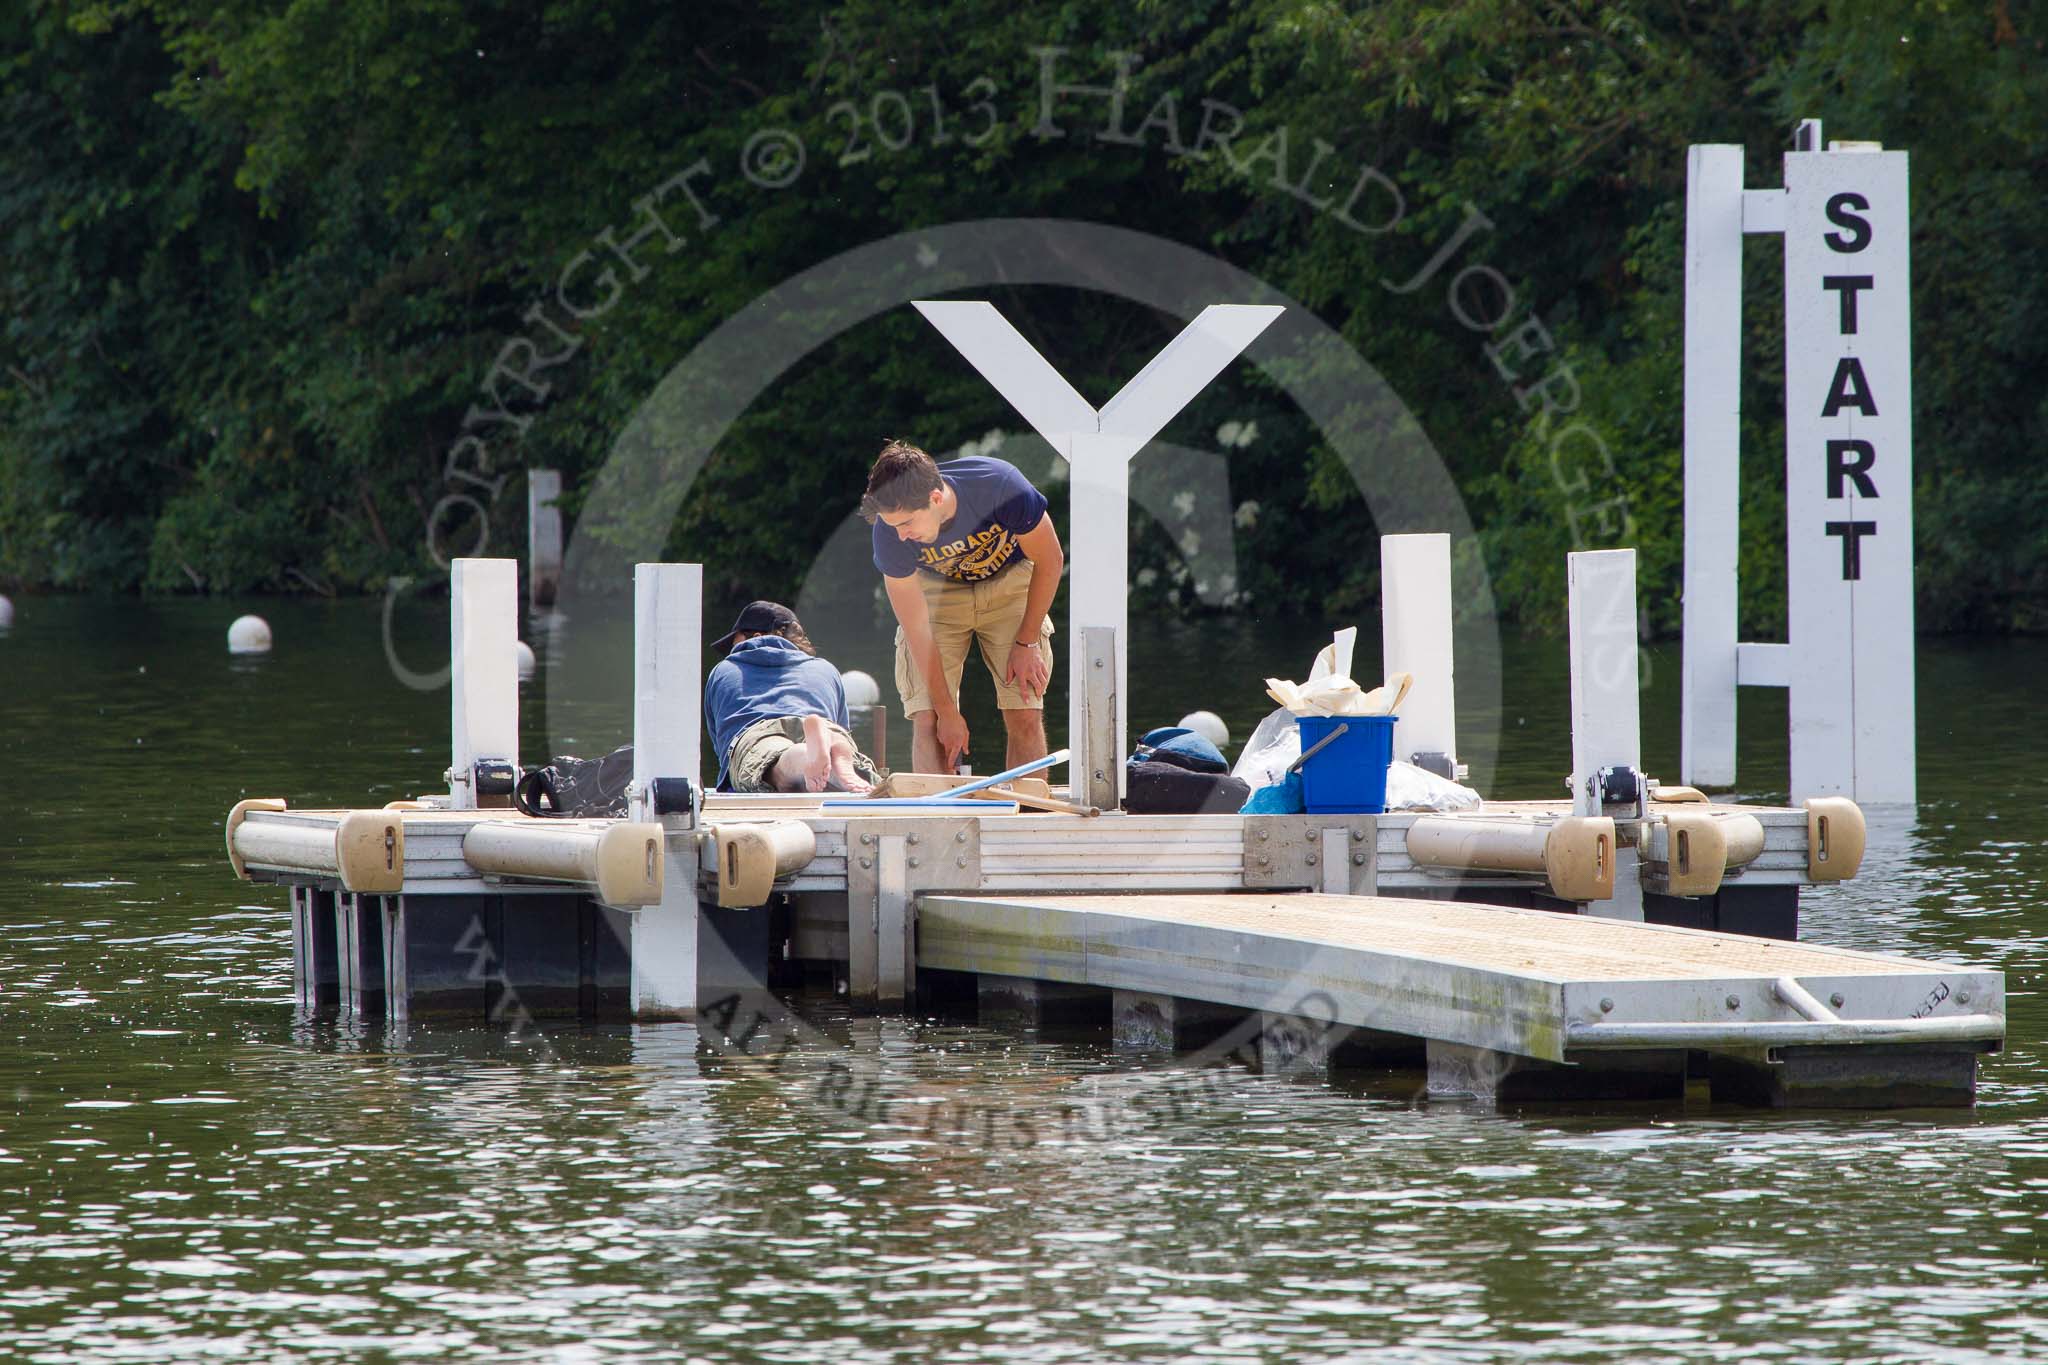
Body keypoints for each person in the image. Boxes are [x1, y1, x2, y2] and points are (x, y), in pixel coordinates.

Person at [861, 439, 1064, 773]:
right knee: (928, 718)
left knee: (1024, 707)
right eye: (893, 525)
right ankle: (936, 819)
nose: (900, 535)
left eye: (907, 523)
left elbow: (1050, 559)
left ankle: (1030, 814)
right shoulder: (889, 535)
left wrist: (1027, 641)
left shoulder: (999, 486)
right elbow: (917, 628)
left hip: (1009, 584)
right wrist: (947, 713)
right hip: (937, 595)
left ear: (935, 498)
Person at [704, 601, 879, 793]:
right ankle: (832, 751)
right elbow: (843, 725)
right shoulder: (825, 669)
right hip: (822, 722)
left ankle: (805, 756)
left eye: (735, 643)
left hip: (758, 732)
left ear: (755, 637)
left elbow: (721, 740)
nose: (731, 651)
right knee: (836, 737)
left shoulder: (724, 670)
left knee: (778, 767)